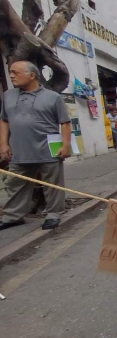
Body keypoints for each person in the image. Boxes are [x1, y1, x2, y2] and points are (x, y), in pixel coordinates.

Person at [0, 61, 72, 231]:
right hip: (18, 149)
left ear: (31, 75)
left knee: (52, 184)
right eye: (10, 72)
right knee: (15, 183)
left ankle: (53, 214)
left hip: (48, 148)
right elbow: (4, 120)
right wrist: (3, 144)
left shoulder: (52, 97)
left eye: (15, 72)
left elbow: (65, 122)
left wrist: (66, 145)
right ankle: (13, 216)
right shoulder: (8, 95)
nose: (11, 76)